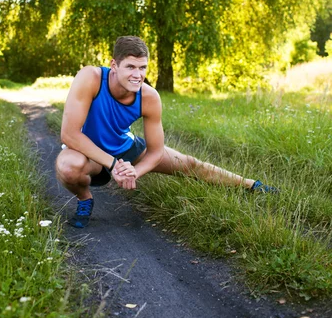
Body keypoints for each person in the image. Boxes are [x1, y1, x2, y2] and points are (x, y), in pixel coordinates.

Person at [56, 36, 277, 228]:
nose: (138, 75)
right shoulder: (91, 78)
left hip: (124, 147)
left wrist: (134, 172)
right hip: (88, 153)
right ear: (114, 65)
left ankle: (251, 185)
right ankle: (85, 199)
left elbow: (155, 152)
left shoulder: (149, 97)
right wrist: (114, 165)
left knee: (190, 164)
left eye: (142, 68)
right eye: (131, 67)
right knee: (68, 167)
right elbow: (70, 134)